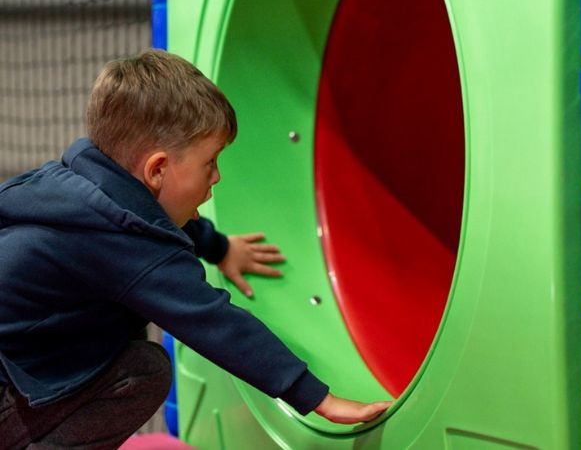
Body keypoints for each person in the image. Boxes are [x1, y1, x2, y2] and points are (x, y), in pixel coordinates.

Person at [0, 50, 391, 448]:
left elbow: (162, 221)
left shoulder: (75, 187)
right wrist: (316, 397)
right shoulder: (126, 243)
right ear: (157, 169)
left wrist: (220, 248)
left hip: (18, 357)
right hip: (7, 385)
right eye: (210, 162)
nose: (217, 175)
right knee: (145, 371)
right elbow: (215, 323)